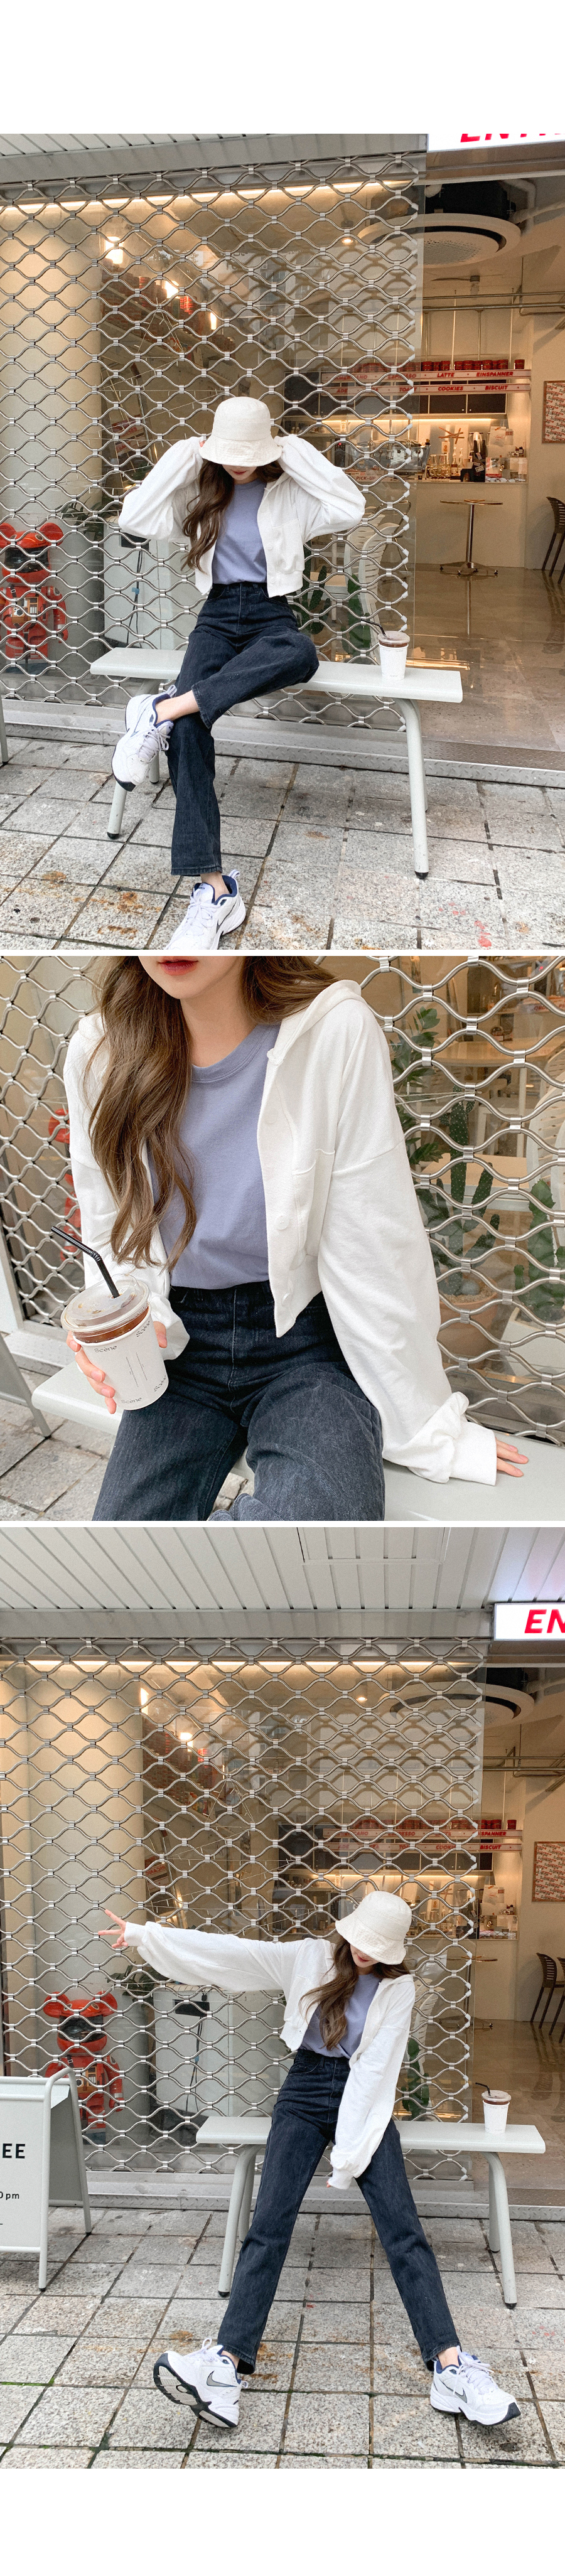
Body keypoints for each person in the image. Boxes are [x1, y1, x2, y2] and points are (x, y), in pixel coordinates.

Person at [63, 953, 526, 1523]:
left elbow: (373, 1240)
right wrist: (126, 1320)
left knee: (319, 1533)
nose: (175, 940)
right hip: (175, 1345)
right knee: (124, 1550)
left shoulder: (332, 1029)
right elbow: (109, 1223)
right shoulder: (100, 1049)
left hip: (304, 1341)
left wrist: (428, 1425)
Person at [99, 1891, 520, 2434]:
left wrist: (349, 2155)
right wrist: (146, 1936)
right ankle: (225, 2366)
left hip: (366, 2099)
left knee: (404, 2232)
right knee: (269, 2227)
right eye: (362, 1940)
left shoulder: (399, 1987)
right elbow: (235, 1954)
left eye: (379, 1947)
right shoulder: (309, 1957)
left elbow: (377, 2070)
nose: (366, 1953)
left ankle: (451, 2368)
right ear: (348, 1930)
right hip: (303, 2091)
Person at [111, 395, 365, 952]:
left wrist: (292, 452)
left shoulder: (290, 490)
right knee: (189, 731)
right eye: (229, 452)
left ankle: (161, 709)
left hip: (273, 613)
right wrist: (188, 453)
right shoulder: (200, 491)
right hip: (218, 614)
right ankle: (215, 889)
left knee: (300, 653)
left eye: (250, 453)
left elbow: (351, 505)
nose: (239, 463)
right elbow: (134, 517)